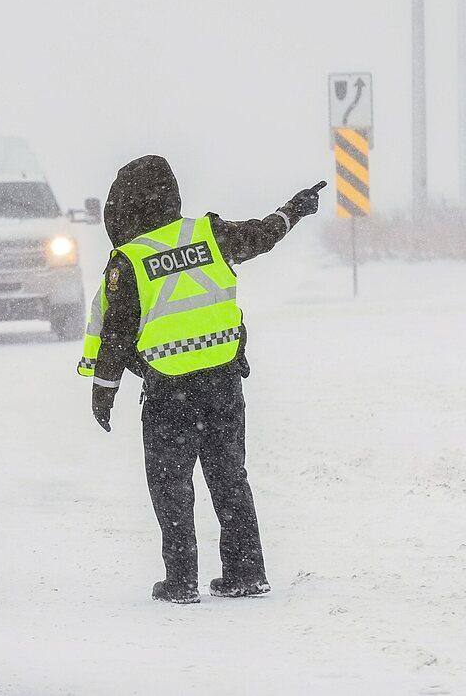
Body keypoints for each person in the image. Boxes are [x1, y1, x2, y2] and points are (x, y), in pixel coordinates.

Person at [77, 155, 323, 604]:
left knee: (171, 486)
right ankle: (246, 573)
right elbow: (263, 235)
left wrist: (103, 390)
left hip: (170, 391)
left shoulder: (130, 260)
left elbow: (116, 332)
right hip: (224, 384)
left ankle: (182, 580)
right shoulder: (209, 233)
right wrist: (293, 209)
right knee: (229, 477)